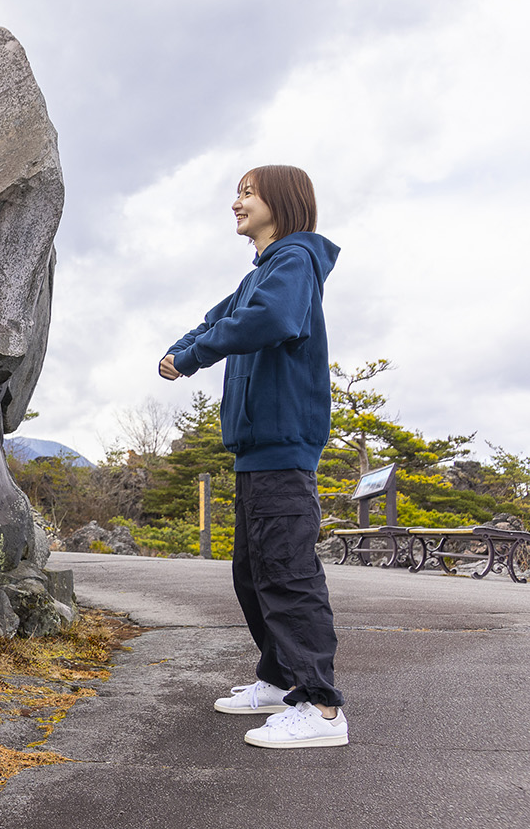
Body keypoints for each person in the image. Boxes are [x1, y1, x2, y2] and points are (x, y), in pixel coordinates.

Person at [159, 164, 347, 749]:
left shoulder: (295, 261)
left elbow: (270, 320)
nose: (236, 202)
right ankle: (278, 678)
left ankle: (320, 709)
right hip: (255, 453)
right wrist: (181, 348)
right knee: (254, 574)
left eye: (247, 192)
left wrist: (194, 358)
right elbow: (221, 317)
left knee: (288, 575)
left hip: (284, 450)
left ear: (282, 201)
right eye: (237, 192)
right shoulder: (261, 274)